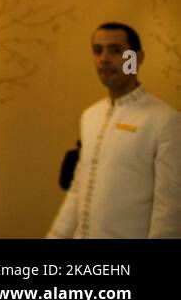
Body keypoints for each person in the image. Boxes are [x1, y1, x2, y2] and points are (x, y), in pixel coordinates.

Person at [47, 22, 181, 238]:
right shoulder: (90, 116)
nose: (104, 59)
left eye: (116, 51)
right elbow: (78, 189)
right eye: (98, 51)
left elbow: (169, 210)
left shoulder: (164, 121)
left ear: (137, 58)